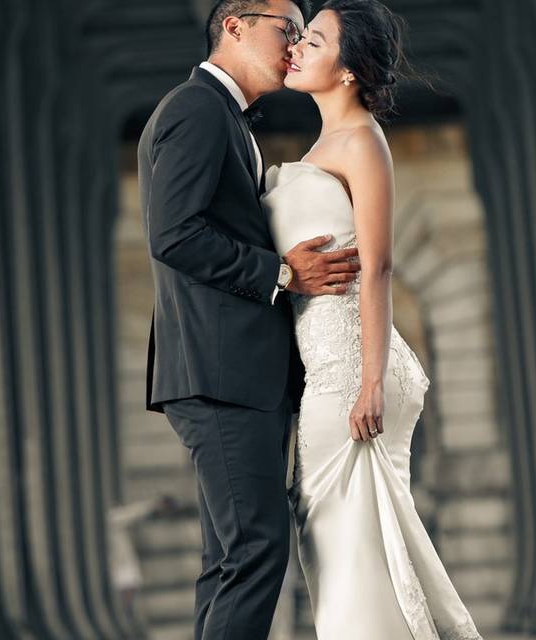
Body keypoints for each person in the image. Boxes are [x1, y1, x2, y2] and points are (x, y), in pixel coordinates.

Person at [137, 1, 363, 637]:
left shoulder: (223, 115)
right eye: (284, 30)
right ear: (234, 25)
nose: (294, 45)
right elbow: (173, 234)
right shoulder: (197, 108)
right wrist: (282, 273)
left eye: (301, 35)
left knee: (232, 558)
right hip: (222, 372)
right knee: (257, 548)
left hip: (231, 371)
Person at [262, 1, 483, 637]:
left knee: (349, 548)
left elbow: (379, 265)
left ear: (349, 69)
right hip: (327, 371)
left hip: (352, 374)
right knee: (340, 544)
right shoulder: (327, 141)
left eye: (315, 39)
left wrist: (370, 382)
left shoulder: (361, 140)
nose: (297, 48)